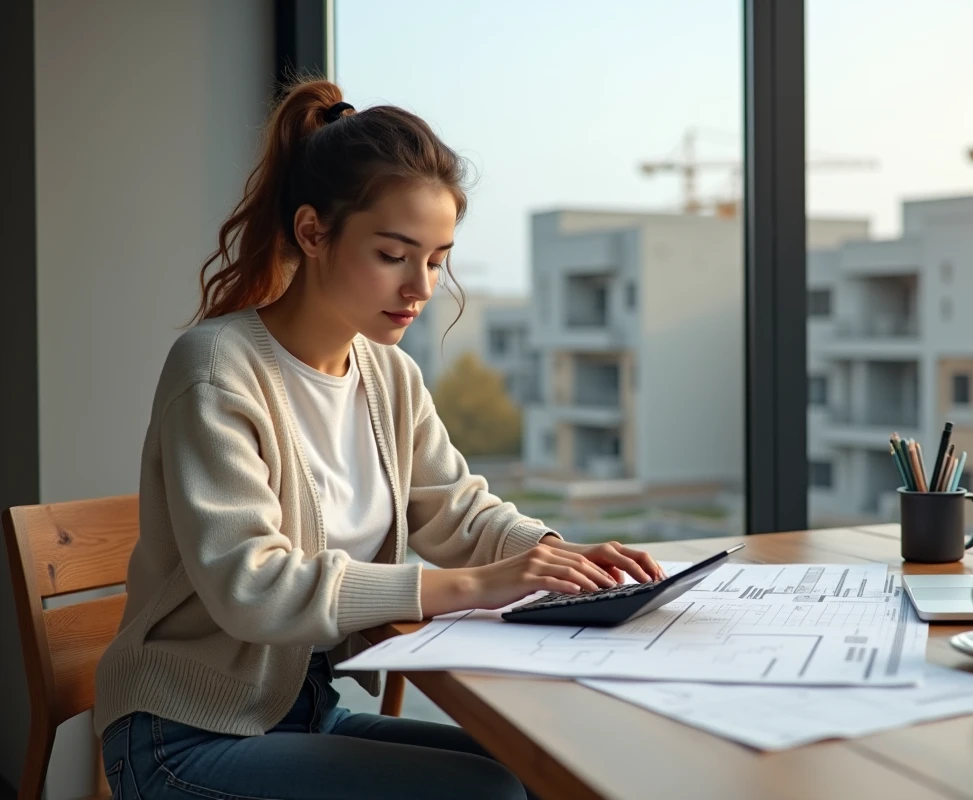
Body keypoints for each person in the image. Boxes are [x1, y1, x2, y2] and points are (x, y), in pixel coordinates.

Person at [93, 78, 664, 800]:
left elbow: (457, 512)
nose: (421, 286)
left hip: (303, 717)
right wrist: (467, 587)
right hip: (180, 736)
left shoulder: (388, 376)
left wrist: (555, 558)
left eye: (436, 258)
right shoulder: (217, 369)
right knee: (485, 795)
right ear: (312, 232)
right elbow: (251, 586)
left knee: (543, 771)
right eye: (394, 255)